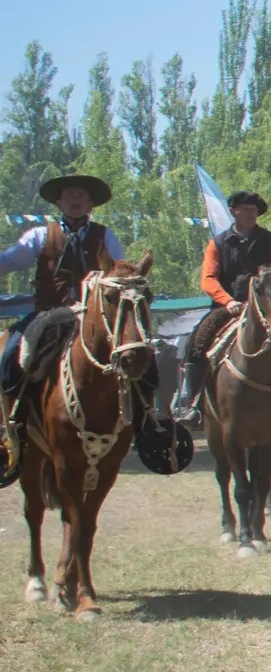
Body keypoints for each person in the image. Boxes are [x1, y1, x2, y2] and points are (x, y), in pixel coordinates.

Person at [0, 175, 170, 481]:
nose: (76, 200)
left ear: (90, 203)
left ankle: (149, 422)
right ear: (59, 202)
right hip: (49, 315)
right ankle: (11, 426)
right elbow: (11, 261)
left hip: (97, 318)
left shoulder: (106, 236)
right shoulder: (40, 235)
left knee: (141, 353)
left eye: (81, 196)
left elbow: (121, 272)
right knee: (11, 351)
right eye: (69, 195)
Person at [172, 191, 271, 430]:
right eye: (245, 210)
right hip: (228, 307)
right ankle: (195, 405)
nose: (250, 214)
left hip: (265, 309)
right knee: (196, 341)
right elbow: (208, 279)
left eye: (254, 210)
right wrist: (227, 301)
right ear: (233, 211)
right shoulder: (218, 243)